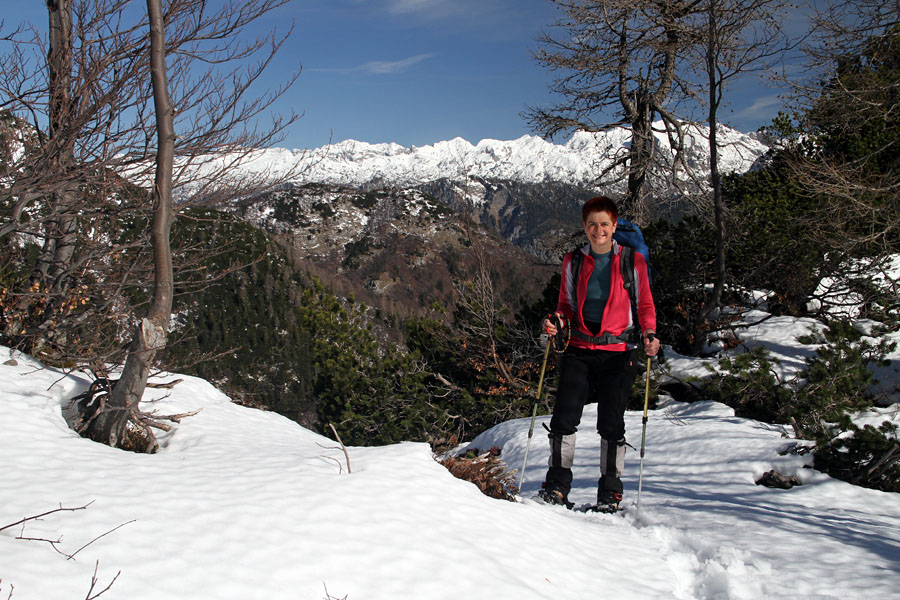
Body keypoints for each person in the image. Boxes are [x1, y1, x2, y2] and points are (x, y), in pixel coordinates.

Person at [538, 195, 660, 512]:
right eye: (592, 224)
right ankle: (556, 486)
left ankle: (610, 492)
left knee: (611, 422)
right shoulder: (573, 261)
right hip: (579, 348)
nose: (598, 230)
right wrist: (557, 322)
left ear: (614, 225)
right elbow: (565, 306)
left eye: (604, 224)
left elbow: (645, 304)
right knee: (564, 417)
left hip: (620, 352)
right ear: (584, 226)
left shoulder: (634, 261)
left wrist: (649, 333)